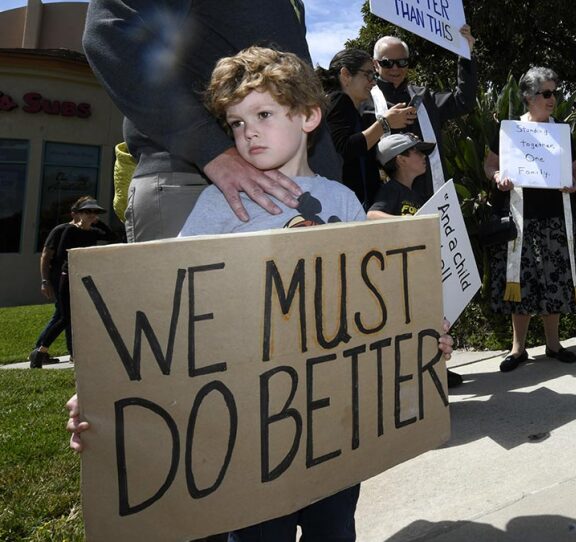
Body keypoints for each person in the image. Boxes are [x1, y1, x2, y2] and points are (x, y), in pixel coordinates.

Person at [66, 46, 454, 541]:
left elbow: (373, 309)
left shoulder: (343, 202)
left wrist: (421, 340)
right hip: (253, 445)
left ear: (309, 116)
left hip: (334, 433)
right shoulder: (217, 204)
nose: (247, 132)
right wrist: (108, 392)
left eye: (264, 114)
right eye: (234, 123)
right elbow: (168, 306)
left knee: (334, 530)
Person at [82, 0, 342, 243]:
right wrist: (212, 150)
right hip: (194, 186)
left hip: (295, 199)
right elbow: (110, 32)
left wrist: (329, 184)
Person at [482, 67, 576, 373]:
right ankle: (518, 349)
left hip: (555, 217)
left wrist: (575, 183)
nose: (552, 98)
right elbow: (490, 165)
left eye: (555, 92)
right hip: (521, 218)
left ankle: (553, 345)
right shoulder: (509, 131)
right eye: (546, 93)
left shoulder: (561, 131)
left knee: (554, 279)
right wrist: (498, 175)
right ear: (528, 97)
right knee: (523, 280)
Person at [367, 133, 465, 388]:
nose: (424, 157)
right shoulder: (391, 190)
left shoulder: (415, 193)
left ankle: (435, 366)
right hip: (398, 277)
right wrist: (411, 222)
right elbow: (372, 216)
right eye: (417, 152)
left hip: (418, 274)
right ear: (400, 159)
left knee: (429, 320)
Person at [370, 29, 477, 198]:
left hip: (432, 192)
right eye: (387, 63)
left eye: (402, 62)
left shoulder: (423, 97)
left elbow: (463, 101)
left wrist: (465, 55)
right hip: (388, 199)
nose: (395, 68)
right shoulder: (368, 100)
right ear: (375, 64)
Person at [317, 49, 414, 209]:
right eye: (368, 74)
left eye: (374, 76)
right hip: (349, 206)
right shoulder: (339, 100)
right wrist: (385, 123)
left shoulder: (346, 107)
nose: (373, 82)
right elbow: (342, 150)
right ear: (346, 74)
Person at [29, 197, 115, 368]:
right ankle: (39, 352)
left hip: (84, 279)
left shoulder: (93, 233)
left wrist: (98, 222)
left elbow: (115, 238)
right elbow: (61, 254)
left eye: (95, 212)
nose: (92, 215)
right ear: (77, 213)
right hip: (67, 277)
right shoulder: (67, 230)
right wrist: (46, 280)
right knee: (64, 317)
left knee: (71, 318)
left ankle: (62, 353)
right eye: (88, 212)